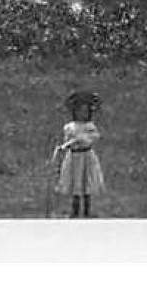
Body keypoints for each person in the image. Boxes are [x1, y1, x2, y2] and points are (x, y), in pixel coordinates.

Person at [51, 90, 104, 218]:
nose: (82, 114)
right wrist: (64, 147)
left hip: (86, 157)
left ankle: (87, 209)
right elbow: (67, 140)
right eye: (80, 111)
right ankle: (74, 209)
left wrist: (82, 139)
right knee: (75, 182)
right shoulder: (70, 127)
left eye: (85, 112)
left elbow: (93, 138)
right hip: (74, 158)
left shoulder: (89, 127)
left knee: (86, 182)